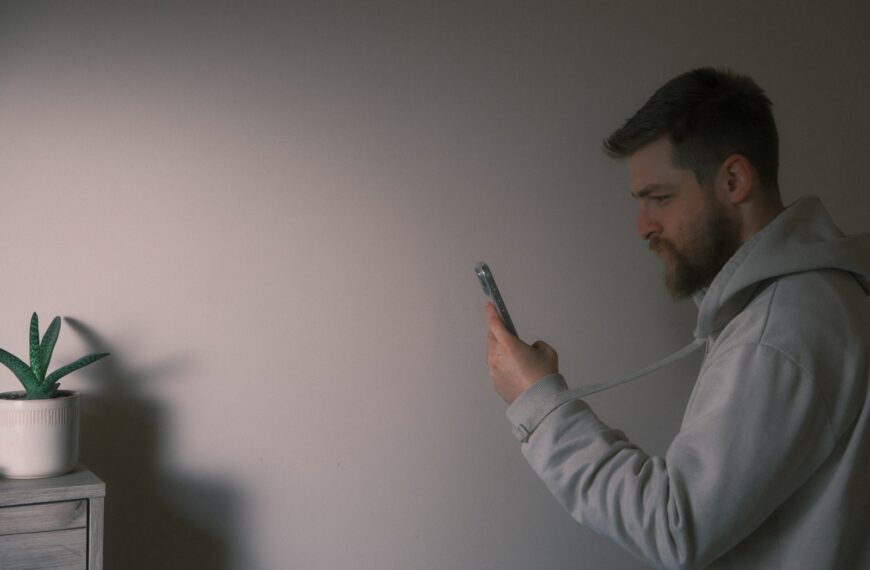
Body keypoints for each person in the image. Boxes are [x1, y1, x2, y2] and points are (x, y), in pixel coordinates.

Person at [484, 67, 870, 569]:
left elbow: (673, 527)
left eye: (660, 198)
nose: (642, 227)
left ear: (734, 181)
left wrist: (538, 403)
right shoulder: (815, 299)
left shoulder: (779, 331)